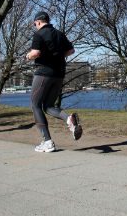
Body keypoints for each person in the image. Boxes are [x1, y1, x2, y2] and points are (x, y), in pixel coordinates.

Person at [26, 11, 82, 152]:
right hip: (59, 74)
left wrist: (28, 56)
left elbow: (36, 53)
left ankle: (47, 142)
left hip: (44, 73)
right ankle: (69, 119)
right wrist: (58, 56)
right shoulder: (59, 34)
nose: (35, 26)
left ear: (38, 22)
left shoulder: (39, 34)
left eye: (35, 24)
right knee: (48, 106)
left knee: (35, 105)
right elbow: (71, 50)